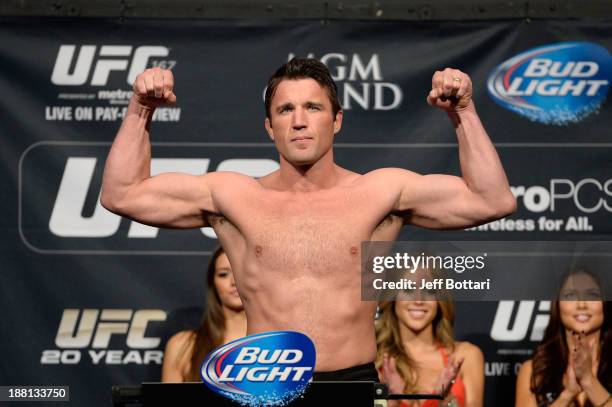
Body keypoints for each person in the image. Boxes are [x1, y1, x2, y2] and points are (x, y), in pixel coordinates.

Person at [100, 57, 516, 380]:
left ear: (337, 120)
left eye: (313, 107)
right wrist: (140, 108)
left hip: (352, 380)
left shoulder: (381, 192)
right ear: (269, 127)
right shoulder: (233, 195)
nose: (299, 120)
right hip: (265, 381)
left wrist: (463, 111)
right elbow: (121, 194)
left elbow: (491, 200)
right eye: (285, 110)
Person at [376, 268, 484, 407]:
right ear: (393, 297)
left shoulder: (465, 356)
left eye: (429, 290)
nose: (419, 300)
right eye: (408, 289)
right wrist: (392, 401)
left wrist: (445, 403)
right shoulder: (376, 362)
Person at [515, 269, 611, 406]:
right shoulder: (534, 372)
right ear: (557, 305)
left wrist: (589, 382)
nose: (582, 305)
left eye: (592, 295)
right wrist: (568, 394)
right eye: (571, 296)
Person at [162, 247, 246, 382]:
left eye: (242, 272)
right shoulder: (183, 346)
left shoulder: (279, 344)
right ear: (213, 283)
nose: (233, 282)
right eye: (224, 274)